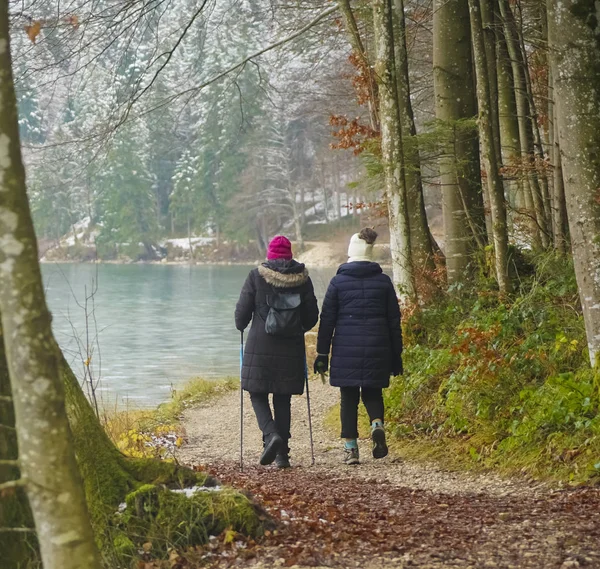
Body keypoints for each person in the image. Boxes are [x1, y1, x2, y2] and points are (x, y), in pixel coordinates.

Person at [314, 228, 403, 465]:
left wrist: (321, 353)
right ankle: (376, 424)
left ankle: (351, 448)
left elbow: (327, 320)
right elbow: (395, 321)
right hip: (378, 346)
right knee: (373, 391)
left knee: (348, 398)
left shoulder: (338, 282)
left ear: (350, 253)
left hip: (346, 349)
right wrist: (397, 355)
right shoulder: (384, 282)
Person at [235, 235, 319, 468]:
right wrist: (297, 327)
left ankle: (270, 435)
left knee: (256, 391)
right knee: (283, 398)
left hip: (259, 346)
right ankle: (282, 455)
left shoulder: (255, 276)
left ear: (270, 255)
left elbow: (241, 314)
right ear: (290, 255)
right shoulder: (302, 279)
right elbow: (312, 317)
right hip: (290, 347)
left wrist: (241, 324)